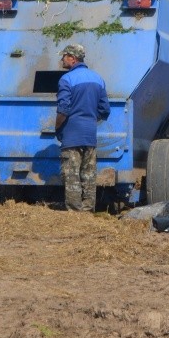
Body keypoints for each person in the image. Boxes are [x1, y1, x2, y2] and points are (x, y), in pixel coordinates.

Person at [55, 43, 110, 212]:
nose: (62, 59)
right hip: (90, 135)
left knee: (71, 176)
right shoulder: (98, 79)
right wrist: (90, 119)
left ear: (72, 58)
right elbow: (105, 110)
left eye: (64, 56)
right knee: (88, 176)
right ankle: (87, 212)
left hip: (72, 136)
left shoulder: (67, 79)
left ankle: (74, 213)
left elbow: (63, 108)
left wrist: (57, 126)